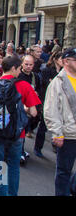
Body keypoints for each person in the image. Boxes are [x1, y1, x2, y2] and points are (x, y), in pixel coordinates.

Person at [0, 56, 39, 196]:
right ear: (13, 68)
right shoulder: (24, 86)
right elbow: (34, 112)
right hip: (17, 134)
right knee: (13, 166)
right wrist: (23, 109)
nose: (20, 72)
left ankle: (1, 193)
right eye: (19, 68)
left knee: (0, 166)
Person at [44, 47, 76, 196]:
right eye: (75, 59)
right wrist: (57, 133)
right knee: (64, 170)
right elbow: (51, 110)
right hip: (68, 134)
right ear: (65, 61)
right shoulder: (58, 82)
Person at [18, 55, 43, 164]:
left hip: (31, 107)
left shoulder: (35, 76)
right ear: (22, 64)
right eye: (26, 64)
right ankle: (20, 152)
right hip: (20, 107)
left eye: (31, 64)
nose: (28, 67)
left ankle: (21, 150)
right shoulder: (18, 75)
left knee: (27, 128)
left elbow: (38, 90)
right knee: (20, 131)